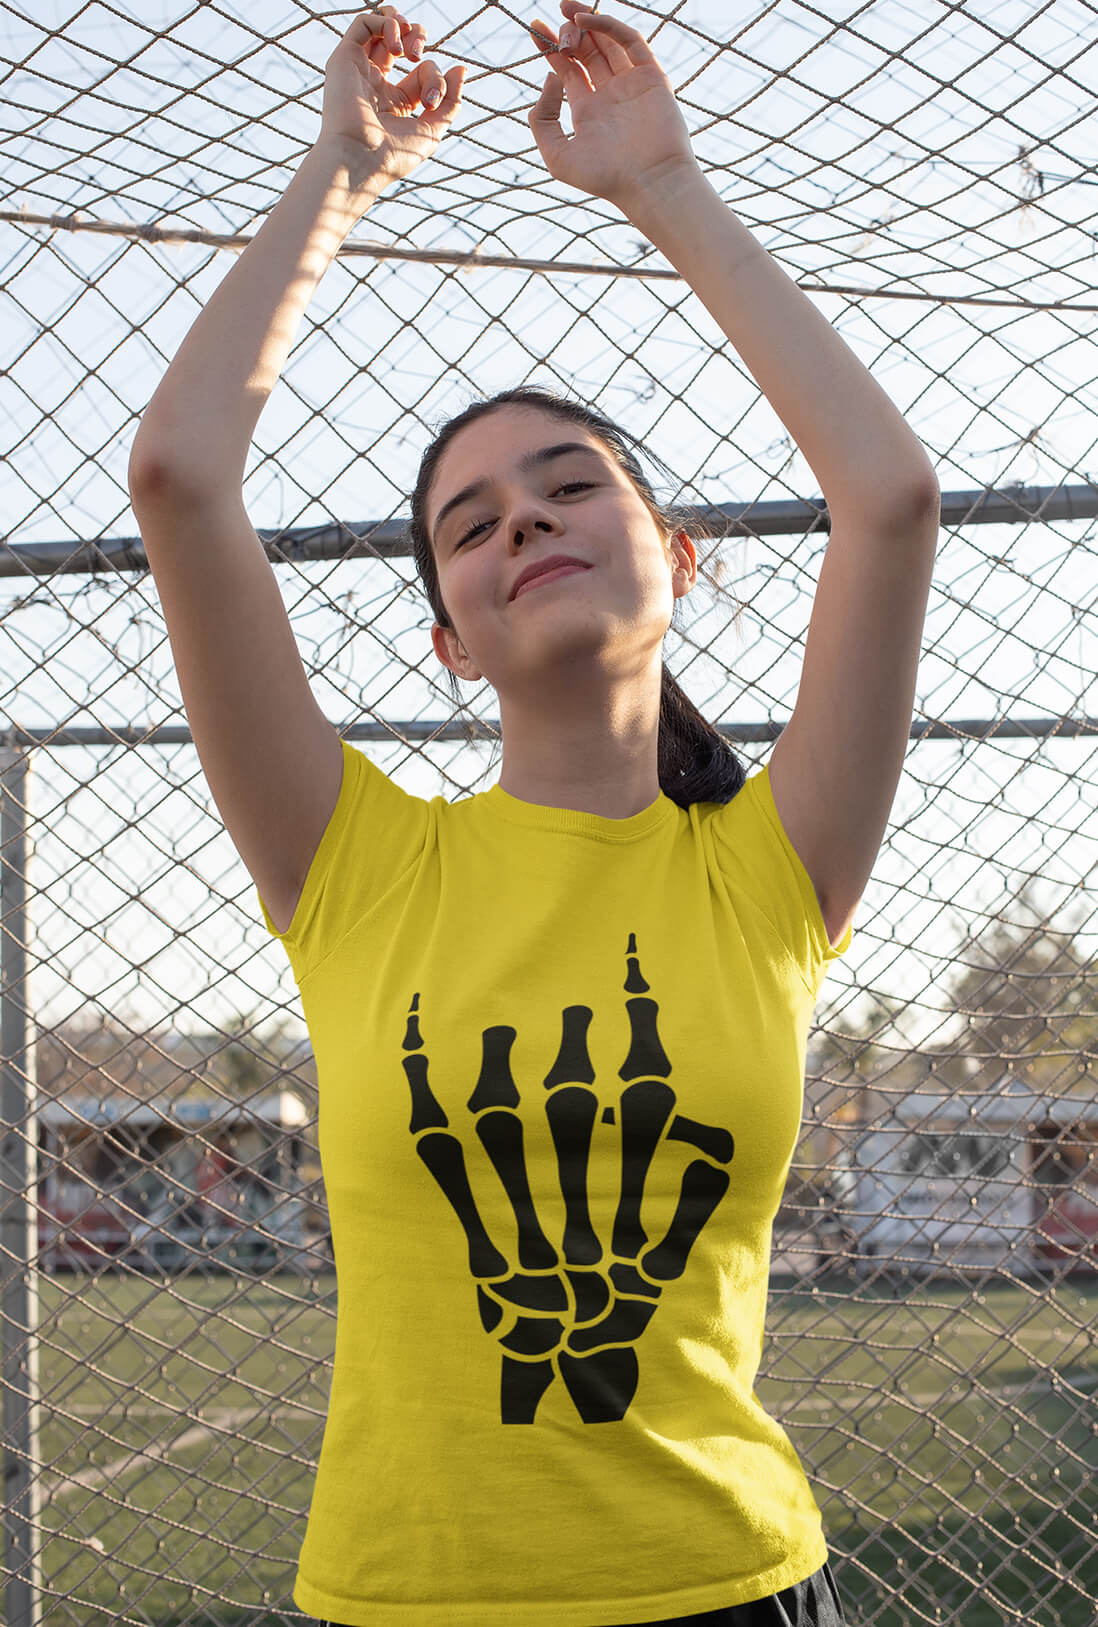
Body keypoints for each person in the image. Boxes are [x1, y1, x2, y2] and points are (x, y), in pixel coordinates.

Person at [127, 5, 939, 1623]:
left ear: (676, 554)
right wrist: (339, 175)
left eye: (572, 484)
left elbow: (891, 497)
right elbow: (180, 481)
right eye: (471, 523)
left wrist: (661, 185)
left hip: (732, 1583)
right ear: (447, 635)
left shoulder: (769, 871)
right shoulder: (355, 866)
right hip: (407, 1594)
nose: (526, 524)